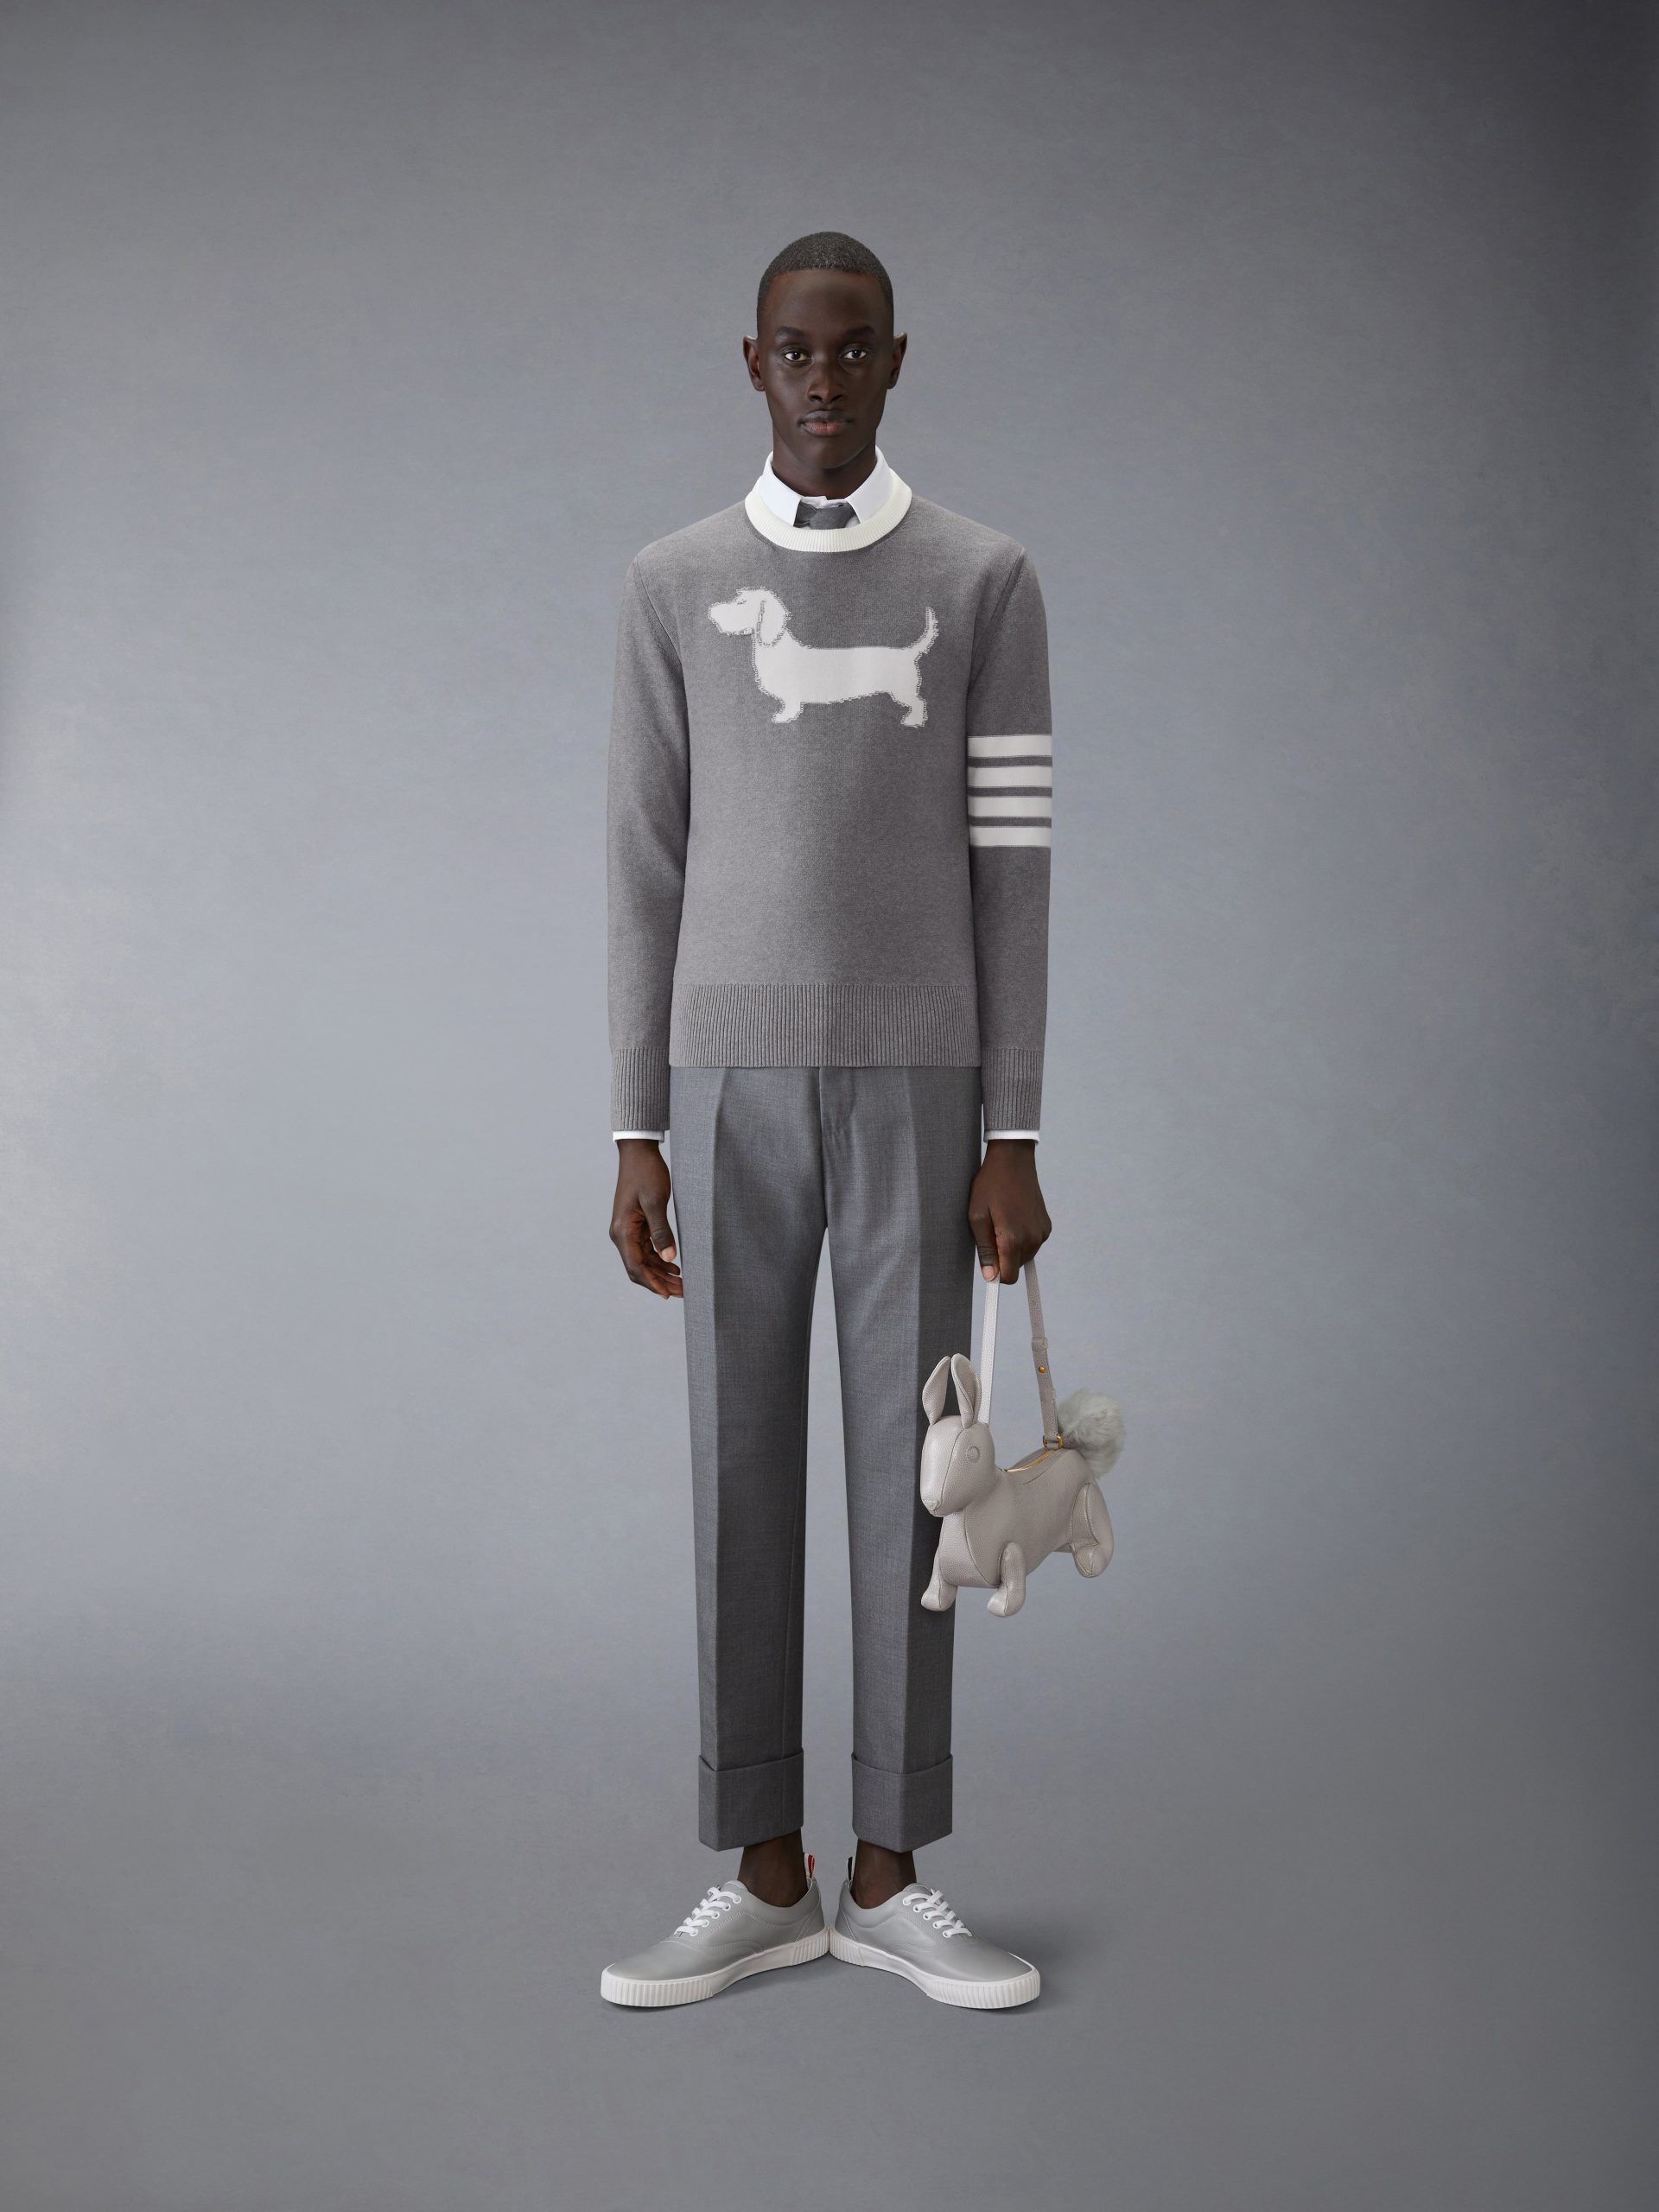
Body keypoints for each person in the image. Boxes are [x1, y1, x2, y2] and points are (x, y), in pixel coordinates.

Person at [600, 232, 1053, 2011]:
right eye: (795, 350)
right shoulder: (673, 585)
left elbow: (1013, 864)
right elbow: (643, 863)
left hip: (922, 1087)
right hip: (725, 1086)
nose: (823, 379)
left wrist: (1014, 1127)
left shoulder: (985, 579)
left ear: (895, 363)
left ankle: (891, 1869)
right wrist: (633, 1127)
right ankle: (763, 1868)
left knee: (916, 1474)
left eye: (853, 350)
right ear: (752, 365)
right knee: (739, 1463)